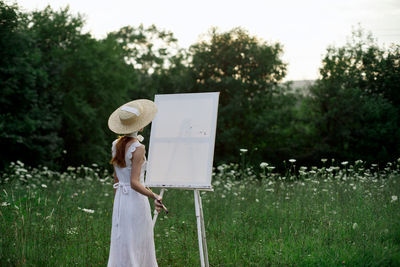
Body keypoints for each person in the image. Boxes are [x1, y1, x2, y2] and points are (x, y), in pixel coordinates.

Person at [107, 99, 164, 267]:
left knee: (123, 242)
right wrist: (155, 195)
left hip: (121, 201)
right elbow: (134, 183)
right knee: (138, 242)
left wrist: (118, 203)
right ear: (140, 125)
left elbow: (117, 179)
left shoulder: (115, 144)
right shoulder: (138, 148)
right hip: (135, 201)